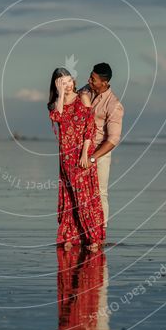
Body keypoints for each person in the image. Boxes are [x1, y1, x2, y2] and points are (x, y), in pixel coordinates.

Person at [48, 67, 105, 251]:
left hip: (82, 153)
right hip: (65, 156)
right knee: (70, 197)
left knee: (85, 197)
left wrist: (85, 152)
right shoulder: (57, 103)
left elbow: (90, 126)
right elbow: (57, 116)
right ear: (57, 85)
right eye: (63, 83)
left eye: (69, 81)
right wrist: (59, 95)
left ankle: (93, 238)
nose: (68, 85)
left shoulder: (83, 97)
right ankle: (69, 237)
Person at [79, 63, 124, 228]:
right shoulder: (86, 90)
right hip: (80, 149)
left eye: (93, 79)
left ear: (104, 83)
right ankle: (81, 230)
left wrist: (92, 158)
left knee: (99, 193)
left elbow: (113, 139)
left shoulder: (114, 105)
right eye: (90, 76)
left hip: (99, 153)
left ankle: (101, 232)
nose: (89, 80)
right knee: (79, 193)